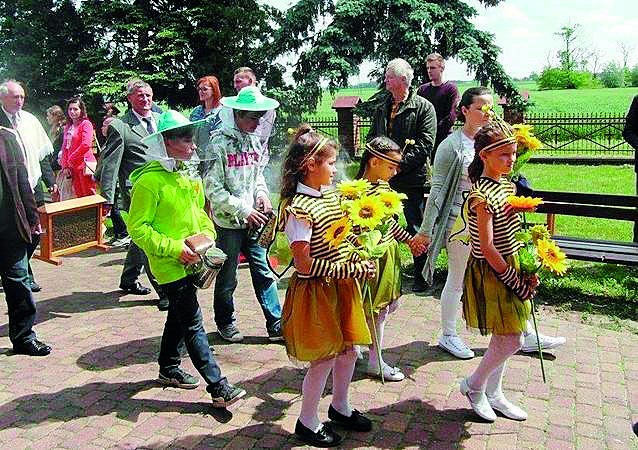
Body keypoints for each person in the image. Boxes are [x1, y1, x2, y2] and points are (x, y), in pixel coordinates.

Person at [412, 87, 566, 358]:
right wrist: (425, 232)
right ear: (464, 111)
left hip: (498, 221)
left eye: (490, 107)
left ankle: (524, 331)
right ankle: (448, 334)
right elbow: (436, 190)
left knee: (508, 274)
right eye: (480, 108)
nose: (487, 112)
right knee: (457, 279)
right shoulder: (451, 146)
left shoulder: (498, 139)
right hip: (460, 224)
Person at [127, 109, 245, 407]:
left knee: (180, 316)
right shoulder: (149, 182)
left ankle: (168, 368)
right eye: (186, 140)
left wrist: (207, 239)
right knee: (192, 320)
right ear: (166, 143)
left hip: (194, 259)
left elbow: (202, 215)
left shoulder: (188, 174)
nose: (193, 146)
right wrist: (174, 248)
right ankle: (218, 386)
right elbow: (137, 229)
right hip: (168, 265)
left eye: (193, 140)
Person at [279, 125, 375, 447]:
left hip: (341, 286)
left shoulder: (330, 197)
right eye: (330, 163)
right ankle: (307, 420)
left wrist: (360, 253)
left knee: (350, 349)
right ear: (310, 164)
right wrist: (348, 266)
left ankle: (340, 406)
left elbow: (342, 234)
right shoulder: (299, 209)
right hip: (316, 291)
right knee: (324, 358)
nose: (335, 169)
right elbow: (303, 264)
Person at [458, 122, 536, 422]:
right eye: (504, 154)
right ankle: (474, 385)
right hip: (493, 270)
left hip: (511, 263)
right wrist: (512, 279)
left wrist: (529, 265)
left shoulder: (507, 185)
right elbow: (487, 247)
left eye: (514, 153)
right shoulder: (481, 195)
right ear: (484, 156)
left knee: (505, 335)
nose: (511, 159)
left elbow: (514, 233)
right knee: (513, 339)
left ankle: (495, 392)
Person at [203, 86, 283, 342]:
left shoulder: (255, 141)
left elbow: (256, 175)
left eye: (260, 117)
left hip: (254, 222)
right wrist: (243, 209)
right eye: (252, 117)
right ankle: (225, 321)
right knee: (227, 275)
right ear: (237, 114)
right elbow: (212, 188)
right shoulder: (218, 143)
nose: (257, 122)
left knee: (263, 271)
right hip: (228, 223)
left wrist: (261, 195)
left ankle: (276, 323)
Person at [96, 79, 168, 310]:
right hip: (136, 191)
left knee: (139, 238)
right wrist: (107, 198)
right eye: (139, 96)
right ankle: (164, 289)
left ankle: (128, 279)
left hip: (162, 188)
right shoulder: (121, 126)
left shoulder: (161, 119)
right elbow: (111, 164)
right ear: (130, 99)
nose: (145, 99)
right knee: (148, 238)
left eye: (148, 95)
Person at [368, 58, 437, 293]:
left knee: (415, 227)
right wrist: (375, 166)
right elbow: (373, 140)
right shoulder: (381, 106)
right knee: (383, 226)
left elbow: (425, 144)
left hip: (411, 179)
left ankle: (422, 276)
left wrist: (396, 166)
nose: (385, 79)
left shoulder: (424, 107)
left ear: (403, 80)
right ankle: (387, 273)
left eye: (389, 76)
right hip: (381, 181)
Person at [354, 137, 417, 382]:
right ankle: (374, 359)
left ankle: (366, 351)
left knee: (378, 308)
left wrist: (409, 240)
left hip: (386, 255)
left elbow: (389, 224)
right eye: (391, 166)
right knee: (371, 307)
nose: (395, 171)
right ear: (374, 161)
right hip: (367, 258)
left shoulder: (385, 190)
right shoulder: (356, 192)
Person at [0, 128, 52, 356]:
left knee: (19, 282)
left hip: (10, 227)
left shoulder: (7, 137)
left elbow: (23, 181)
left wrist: (33, 218)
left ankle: (24, 338)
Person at [0, 80, 55, 293]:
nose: (20, 101)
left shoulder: (30, 121)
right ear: (3, 98)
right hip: (11, 189)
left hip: (33, 185)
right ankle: (22, 273)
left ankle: (19, 269)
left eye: (22, 97)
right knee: (16, 232)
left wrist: (50, 183)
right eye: (15, 97)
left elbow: (42, 156)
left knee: (35, 232)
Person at [417, 53, 460, 160]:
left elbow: (452, 116)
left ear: (442, 68)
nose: (429, 71)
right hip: (425, 138)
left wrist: (433, 129)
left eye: (433, 67)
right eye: (427, 68)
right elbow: (418, 113)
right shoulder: (422, 90)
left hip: (444, 138)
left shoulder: (451, 89)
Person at [59, 96, 97, 198]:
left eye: (75, 109)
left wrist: (71, 158)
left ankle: (96, 213)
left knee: (89, 192)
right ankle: (83, 214)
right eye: (70, 109)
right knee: (78, 193)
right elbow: (64, 147)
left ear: (81, 110)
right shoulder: (68, 126)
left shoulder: (86, 124)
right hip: (73, 166)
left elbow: (86, 145)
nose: (72, 111)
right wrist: (65, 165)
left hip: (86, 164)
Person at [190, 75, 223, 152]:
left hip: (215, 157)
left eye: (205, 89)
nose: (201, 92)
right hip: (196, 156)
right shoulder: (196, 112)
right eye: (199, 89)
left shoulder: (222, 113)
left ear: (214, 90)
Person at [46, 105, 65, 171]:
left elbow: (62, 150)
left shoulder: (63, 130)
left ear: (55, 117)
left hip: (59, 167)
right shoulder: (51, 130)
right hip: (52, 165)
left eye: (48, 116)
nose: (47, 118)